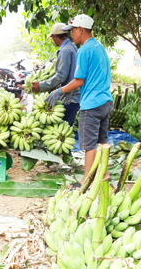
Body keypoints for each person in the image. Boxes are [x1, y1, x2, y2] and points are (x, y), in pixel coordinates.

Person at [44, 15, 113, 189]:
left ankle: (86, 182)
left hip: (91, 104)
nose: (71, 35)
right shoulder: (99, 47)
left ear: (81, 29)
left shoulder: (84, 50)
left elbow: (79, 80)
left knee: (89, 145)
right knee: (102, 141)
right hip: (105, 101)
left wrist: (59, 91)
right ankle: (105, 176)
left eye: (72, 30)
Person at [31, 23, 80, 126]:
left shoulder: (65, 51)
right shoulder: (72, 47)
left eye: (52, 37)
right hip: (75, 95)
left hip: (70, 97)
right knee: (66, 128)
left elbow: (61, 76)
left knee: (61, 130)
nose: (52, 40)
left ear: (55, 36)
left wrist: (41, 86)